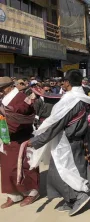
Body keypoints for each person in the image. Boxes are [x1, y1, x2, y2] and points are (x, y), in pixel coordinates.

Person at [28, 70, 90, 216]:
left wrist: (37, 141)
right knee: (76, 169)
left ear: (68, 83)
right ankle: (70, 199)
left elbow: (57, 125)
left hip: (67, 142)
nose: (62, 83)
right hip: (74, 140)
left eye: (63, 80)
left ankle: (78, 196)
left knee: (62, 172)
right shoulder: (79, 96)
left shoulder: (71, 101)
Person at [0, 77, 39, 209]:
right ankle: (14, 194)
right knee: (7, 167)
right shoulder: (3, 99)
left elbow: (25, 115)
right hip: (6, 137)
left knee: (25, 165)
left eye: (2, 89)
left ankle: (31, 192)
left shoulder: (22, 97)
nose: (0, 91)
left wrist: (8, 116)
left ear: (9, 87)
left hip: (21, 136)